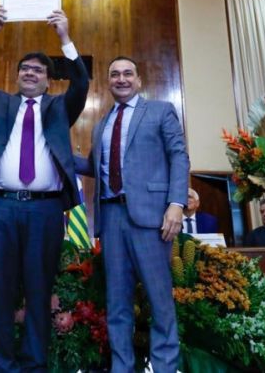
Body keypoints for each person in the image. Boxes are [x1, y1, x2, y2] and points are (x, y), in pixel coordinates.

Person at [0, 5, 89, 372]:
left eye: (38, 70)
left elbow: (81, 84)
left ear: (49, 80)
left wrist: (64, 37)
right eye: (25, 69)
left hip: (45, 209)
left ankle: (34, 366)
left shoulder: (60, 108)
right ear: (17, 76)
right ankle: (3, 367)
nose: (30, 73)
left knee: (39, 290)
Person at [76, 56, 189, 373]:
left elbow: (179, 156)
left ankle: (165, 368)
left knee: (159, 302)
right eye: (115, 74)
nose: (121, 79)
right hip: (111, 219)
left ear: (139, 80)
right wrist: (58, 152)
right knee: (117, 303)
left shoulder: (160, 111)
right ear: (108, 82)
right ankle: (122, 367)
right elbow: (94, 167)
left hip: (151, 219)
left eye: (128, 73)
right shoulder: (102, 125)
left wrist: (176, 203)